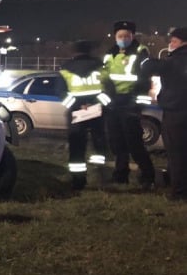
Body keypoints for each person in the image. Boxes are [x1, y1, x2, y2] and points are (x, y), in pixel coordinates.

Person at [101, 20, 155, 189]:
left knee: (134, 143)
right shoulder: (110, 54)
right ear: (115, 37)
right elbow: (104, 77)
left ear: (132, 36)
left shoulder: (140, 52)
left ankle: (148, 177)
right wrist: (106, 99)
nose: (123, 38)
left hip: (130, 102)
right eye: (120, 36)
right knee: (117, 143)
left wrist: (136, 104)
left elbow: (145, 80)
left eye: (126, 35)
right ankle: (120, 176)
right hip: (114, 103)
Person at [141, 27, 187, 201]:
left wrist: (143, 58)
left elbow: (147, 67)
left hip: (176, 114)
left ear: (183, 42)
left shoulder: (173, 61)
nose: (170, 44)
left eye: (173, 41)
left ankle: (179, 193)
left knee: (176, 155)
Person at [59, 40, 110, 190]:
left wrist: (77, 106)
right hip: (97, 112)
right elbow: (109, 90)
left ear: (74, 52)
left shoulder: (65, 68)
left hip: (77, 114)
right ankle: (101, 176)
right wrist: (95, 104)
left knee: (76, 146)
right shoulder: (101, 67)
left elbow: (60, 92)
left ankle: (78, 181)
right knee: (99, 143)